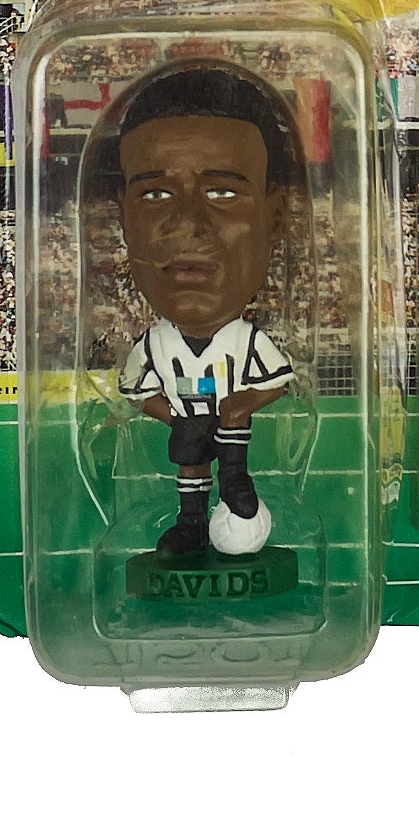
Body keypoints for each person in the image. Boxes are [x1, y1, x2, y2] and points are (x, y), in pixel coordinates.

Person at [111, 64, 299, 558]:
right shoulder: (155, 344)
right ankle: (190, 523)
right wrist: (174, 418)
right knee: (190, 471)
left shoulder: (247, 341)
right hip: (190, 426)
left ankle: (236, 485)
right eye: (155, 194)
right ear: (123, 218)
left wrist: (239, 407)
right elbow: (136, 392)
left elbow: (277, 382)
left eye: (223, 192)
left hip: (230, 430)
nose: (187, 224)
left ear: (275, 216)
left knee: (229, 465)